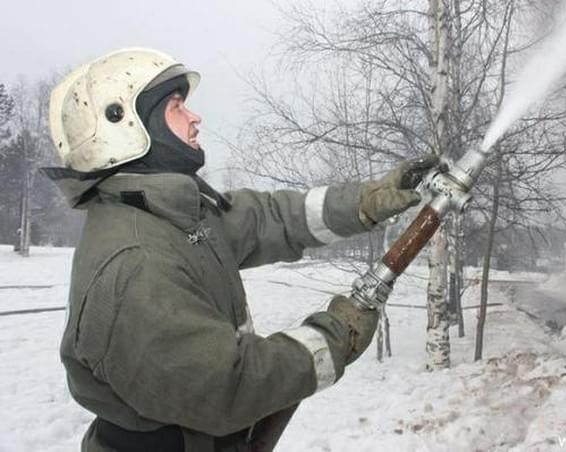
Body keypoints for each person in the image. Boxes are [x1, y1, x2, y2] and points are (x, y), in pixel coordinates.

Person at [44, 48, 438, 452]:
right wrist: (338, 335)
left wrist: (370, 199)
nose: (195, 118)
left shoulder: (175, 214)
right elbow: (230, 387)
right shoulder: (135, 264)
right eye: (177, 108)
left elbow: (273, 218)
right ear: (124, 126)